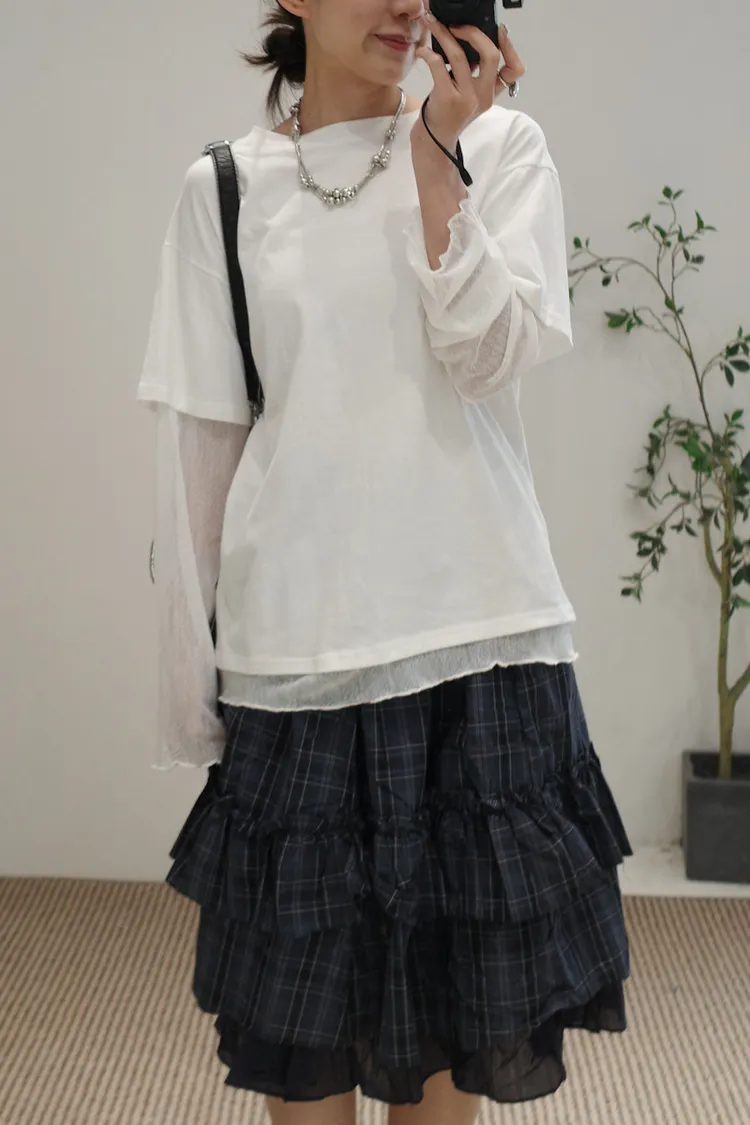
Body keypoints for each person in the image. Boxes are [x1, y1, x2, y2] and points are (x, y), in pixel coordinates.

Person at [136, 2, 633, 1123]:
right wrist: (193, 698)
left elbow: (490, 358)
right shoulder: (223, 190)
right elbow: (202, 457)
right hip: (298, 664)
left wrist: (441, 155)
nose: (409, 4)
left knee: (450, 1065)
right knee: (303, 1066)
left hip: (477, 654)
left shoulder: (501, 146)